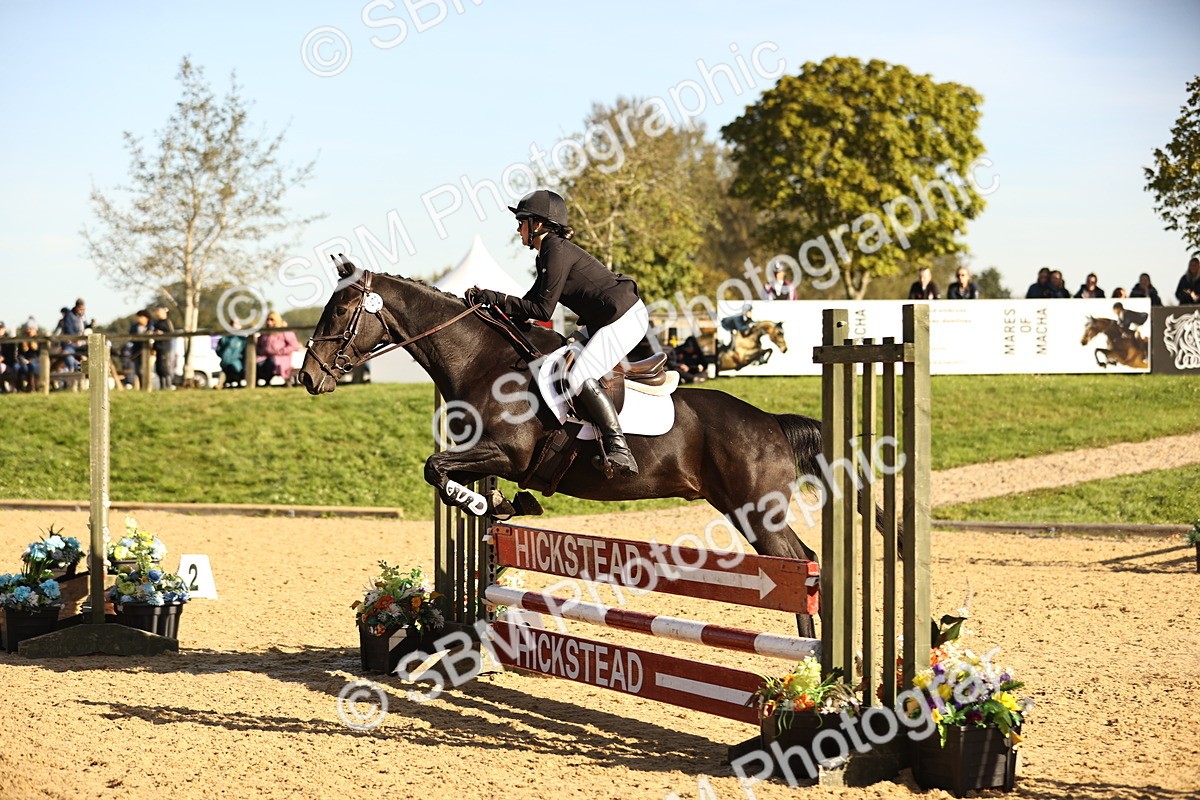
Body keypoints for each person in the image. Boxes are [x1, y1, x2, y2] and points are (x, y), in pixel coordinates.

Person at [469, 189, 647, 478]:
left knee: (578, 376)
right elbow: (527, 305)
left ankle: (619, 447)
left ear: (538, 224)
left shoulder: (556, 250)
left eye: (521, 221)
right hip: (603, 319)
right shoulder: (548, 254)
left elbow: (542, 310)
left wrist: (496, 298)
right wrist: (490, 306)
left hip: (623, 317)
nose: (518, 229)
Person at [256, 311, 300, 386]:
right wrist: (261, 351)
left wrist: (281, 351)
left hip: (281, 358)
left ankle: (268, 381)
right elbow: (258, 346)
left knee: (271, 362)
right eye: (268, 319)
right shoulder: (265, 333)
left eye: (272, 319)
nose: (269, 322)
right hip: (265, 357)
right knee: (256, 364)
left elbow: (294, 345)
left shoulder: (284, 332)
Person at [122, 309, 153, 389]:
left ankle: (148, 386)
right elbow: (131, 338)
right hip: (137, 351)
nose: (139, 319)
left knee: (149, 370)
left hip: (149, 351)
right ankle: (142, 386)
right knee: (139, 370)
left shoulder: (152, 326)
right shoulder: (134, 327)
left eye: (141, 317)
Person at [151, 304, 175, 389]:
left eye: (158, 311)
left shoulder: (167, 322)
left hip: (165, 348)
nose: (157, 313)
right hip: (158, 348)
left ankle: (168, 385)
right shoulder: (156, 323)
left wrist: (162, 334)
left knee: (165, 368)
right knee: (159, 368)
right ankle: (162, 386)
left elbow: (171, 334)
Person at [0, 321, 15, 393]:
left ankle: (2, 387)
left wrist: (3, 358)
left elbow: (10, 357)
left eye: (1, 328)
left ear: (4, 329)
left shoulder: (8, 341)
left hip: (7, 365)